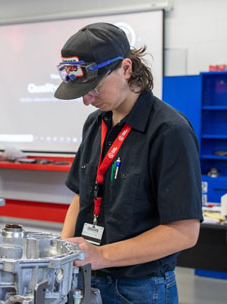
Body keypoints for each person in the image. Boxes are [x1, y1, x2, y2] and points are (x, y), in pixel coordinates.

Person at [55, 23, 203, 303]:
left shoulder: (169, 131)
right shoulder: (95, 123)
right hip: (87, 278)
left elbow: (184, 233)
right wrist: (66, 251)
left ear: (125, 68)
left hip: (139, 289)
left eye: (94, 88)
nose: (87, 100)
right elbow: (81, 198)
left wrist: (102, 255)